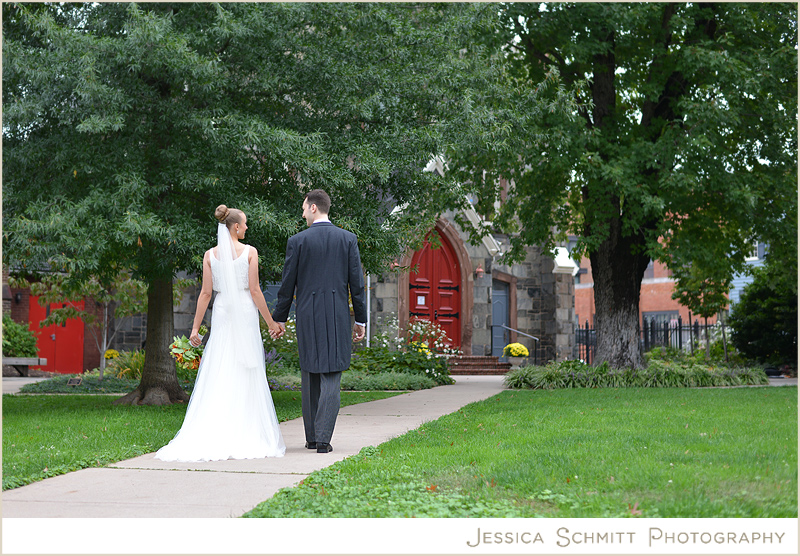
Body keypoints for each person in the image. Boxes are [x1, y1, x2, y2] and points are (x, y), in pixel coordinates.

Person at [155, 205, 286, 462]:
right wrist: (270, 322)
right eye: (245, 224)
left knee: (221, 363)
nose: (247, 227)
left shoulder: (210, 255)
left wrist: (195, 328)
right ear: (235, 227)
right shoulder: (250, 252)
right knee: (246, 365)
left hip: (223, 309)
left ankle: (216, 426)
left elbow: (206, 293)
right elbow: (255, 290)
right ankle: (245, 429)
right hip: (245, 311)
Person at [273, 189, 367, 454]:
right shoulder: (347, 239)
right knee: (331, 375)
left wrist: (279, 318)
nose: (302, 213)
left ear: (314, 208)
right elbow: (357, 286)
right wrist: (360, 320)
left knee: (310, 373)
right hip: (337, 315)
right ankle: (323, 440)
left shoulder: (297, 241)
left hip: (307, 315)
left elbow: (287, 284)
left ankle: (313, 437)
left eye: (304, 208)